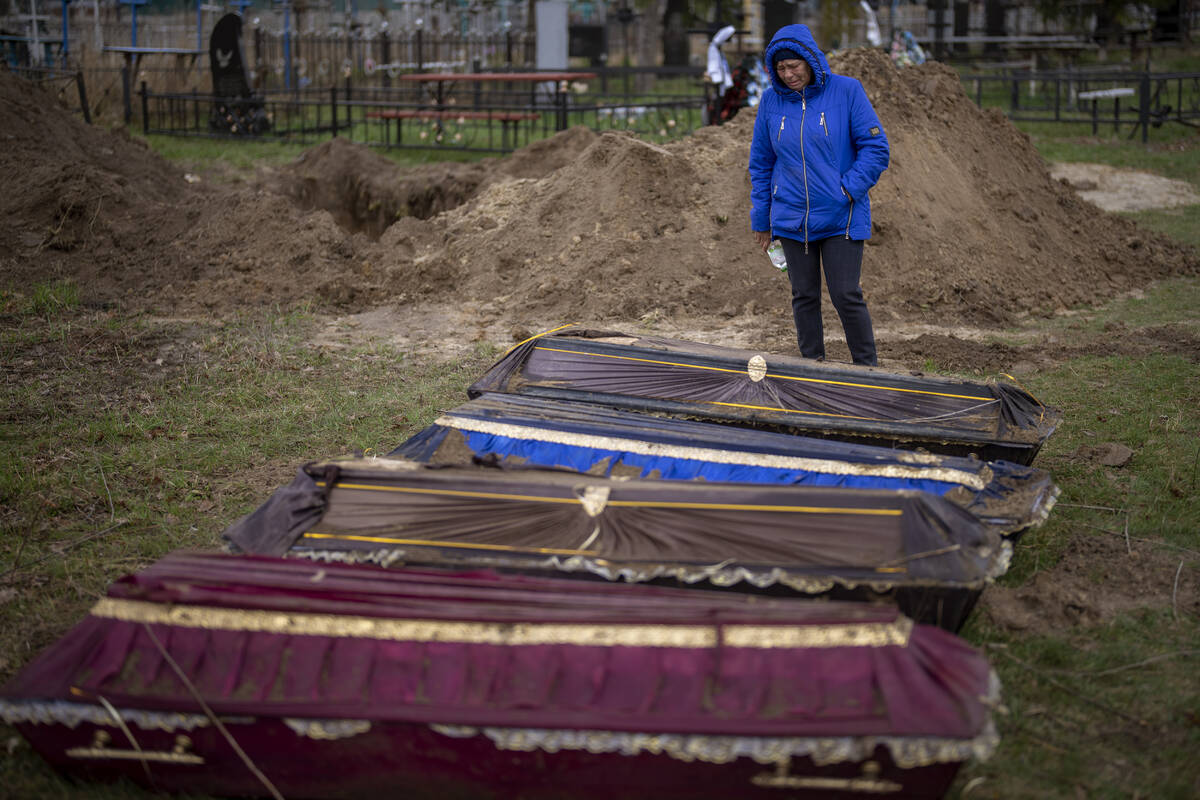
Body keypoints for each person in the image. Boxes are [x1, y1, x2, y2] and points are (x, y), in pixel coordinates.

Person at [749, 24, 890, 366]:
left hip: (841, 214)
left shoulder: (846, 91)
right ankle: (812, 366)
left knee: (846, 294)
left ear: (811, 61)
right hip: (791, 216)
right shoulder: (770, 101)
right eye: (781, 69)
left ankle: (867, 370)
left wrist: (846, 189)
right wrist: (762, 218)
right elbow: (761, 162)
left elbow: (875, 148)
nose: (788, 74)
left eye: (794, 66)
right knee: (803, 295)